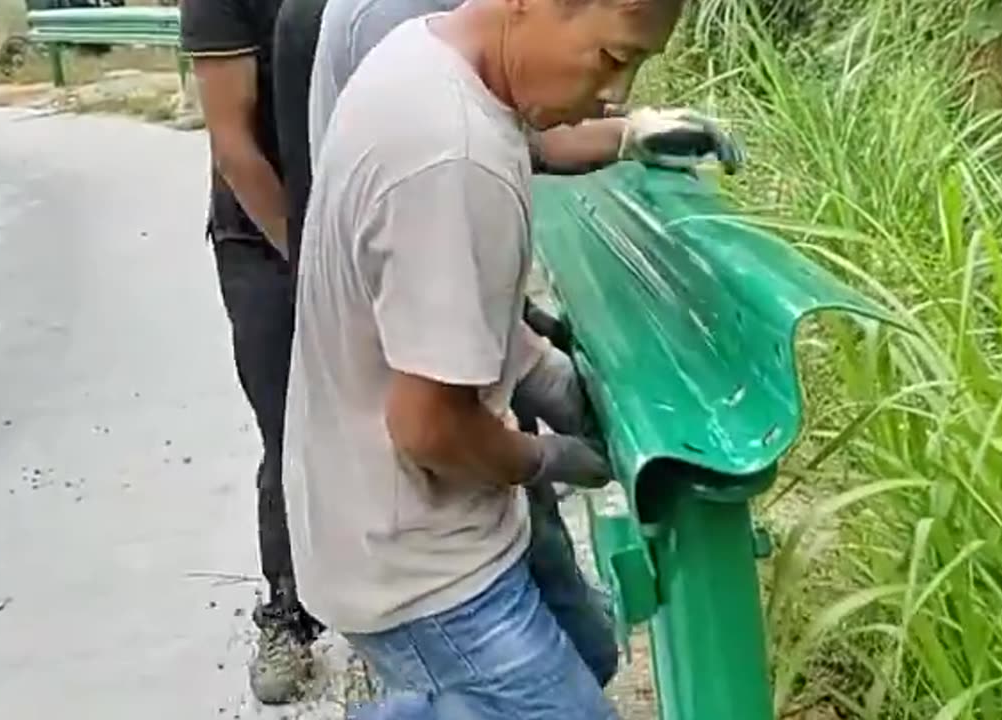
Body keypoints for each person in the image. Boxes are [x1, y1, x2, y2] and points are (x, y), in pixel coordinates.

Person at [283, 0, 727, 715]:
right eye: (615, 59)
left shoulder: (429, 56)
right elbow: (430, 428)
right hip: (421, 568)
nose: (618, 93)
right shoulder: (453, 157)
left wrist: (549, 376)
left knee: (590, 650)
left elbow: (435, 300)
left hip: (403, 518)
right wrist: (546, 459)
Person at [178, 0, 322, 705]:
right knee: (289, 426)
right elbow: (233, 145)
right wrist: (312, 265)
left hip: (373, 208)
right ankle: (289, 612)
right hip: (263, 236)